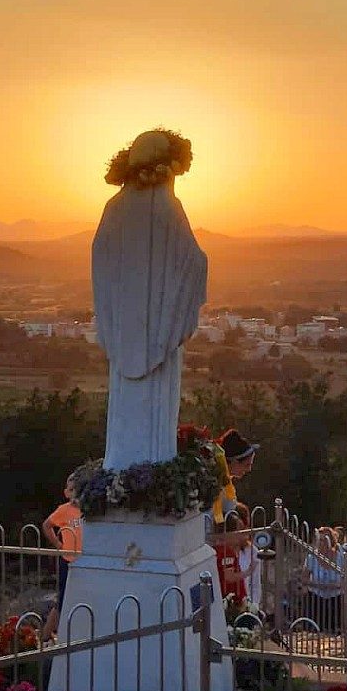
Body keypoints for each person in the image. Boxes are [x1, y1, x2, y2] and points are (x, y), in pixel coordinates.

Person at [93, 129, 207, 470]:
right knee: (156, 408)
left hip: (124, 327)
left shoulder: (114, 208)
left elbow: (101, 259)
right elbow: (192, 259)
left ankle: (119, 470)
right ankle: (152, 471)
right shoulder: (167, 207)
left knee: (125, 405)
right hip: (159, 328)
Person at [41, 474, 84, 640]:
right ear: (66, 492)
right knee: (63, 597)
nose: (74, 493)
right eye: (71, 490)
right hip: (68, 559)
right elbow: (47, 525)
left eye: (77, 489)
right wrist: (58, 545)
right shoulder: (64, 510)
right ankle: (45, 636)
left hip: (85, 559)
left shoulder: (89, 509)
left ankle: (69, 633)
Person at [212, 430, 259, 524]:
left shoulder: (227, 481)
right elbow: (216, 517)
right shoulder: (215, 483)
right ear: (234, 461)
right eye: (247, 465)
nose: (249, 469)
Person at [302, 526, 343, 633]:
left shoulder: (340, 558)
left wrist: (335, 586)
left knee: (334, 629)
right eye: (320, 540)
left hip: (335, 598)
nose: (322, 543)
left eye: (325, 540)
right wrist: (317, 585)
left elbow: (346, 581)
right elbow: (304, 579)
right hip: (316, 596)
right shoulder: (311, 557)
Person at [212, 514, 246, 603]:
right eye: (239, 531)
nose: (242, 536)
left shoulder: (229, 551)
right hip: (227, 601)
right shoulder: (226, 552)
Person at [234, 503, 262, 608]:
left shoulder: (252, 552)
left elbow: (255, 586)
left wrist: (253, 607)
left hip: (246, 604)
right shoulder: (221, 551)